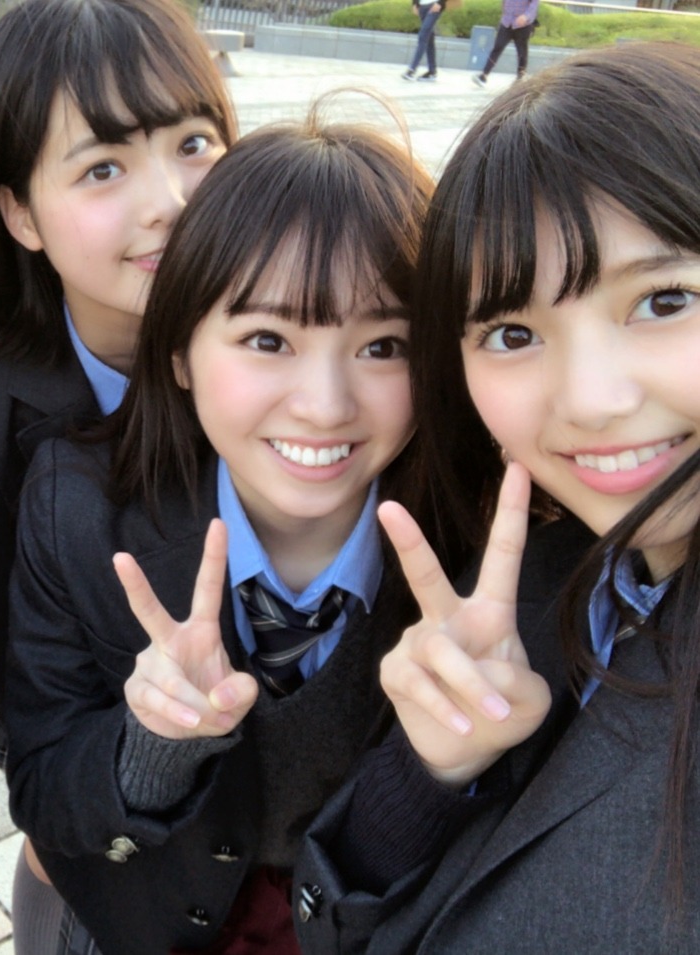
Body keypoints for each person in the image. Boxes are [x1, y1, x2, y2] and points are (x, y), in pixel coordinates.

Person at [294, 42, 700, 953]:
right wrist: (431, 771)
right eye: (514, 331)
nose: (591, 400)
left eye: (665, 301)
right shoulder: (540, 568)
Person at [5, 108, 442, 954]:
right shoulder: (76, 510)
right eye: (267, 338)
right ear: (178, 352)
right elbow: (42, 788)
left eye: (383, 345)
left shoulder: (476, 553)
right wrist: (151, 746)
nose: (325, 403)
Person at [0, 0, 237, 946]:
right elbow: (18, 672)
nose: (169, 202)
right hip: (117, 803)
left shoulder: (306, 350)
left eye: (194, 143)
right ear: (19, 211)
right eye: (103, 167)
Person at [473, 0, 539, 87]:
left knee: (522, 52)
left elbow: (534, 5)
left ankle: (521, 77)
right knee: (497, 48)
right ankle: (484, 75)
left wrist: (526, 16)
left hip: (523, 25)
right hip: (506, 22)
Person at [402, 0, 443, 82]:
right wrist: (415, 3)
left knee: (423, 36)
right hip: (422, 6)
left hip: (434, 5)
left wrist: (440, 3)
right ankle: (432, 71)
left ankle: (412, 69)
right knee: (429, 38)